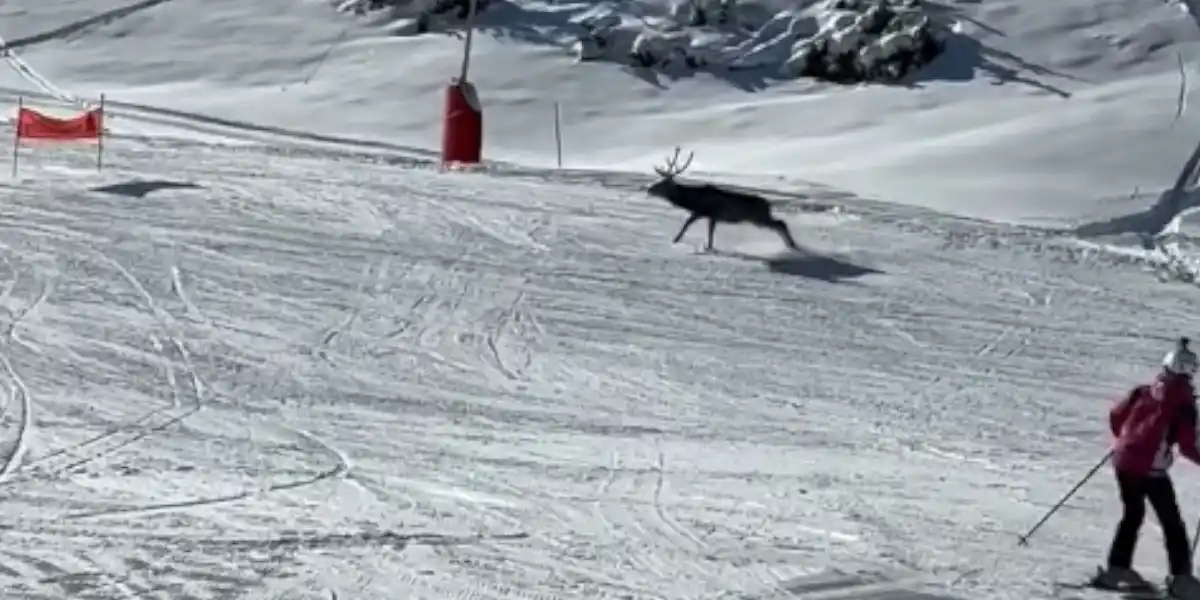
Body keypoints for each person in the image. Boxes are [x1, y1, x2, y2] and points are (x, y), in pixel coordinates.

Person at [1094, 337, 1200, 598]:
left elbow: (1117, 415)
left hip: (1123, 461)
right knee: (1172, 522)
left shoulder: (1144, 390)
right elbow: (1187, 445)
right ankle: (1182, 579)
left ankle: (1116, 569)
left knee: (1132, 514)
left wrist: (1126, 442)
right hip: (1149, 470)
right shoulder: (1183, 405)